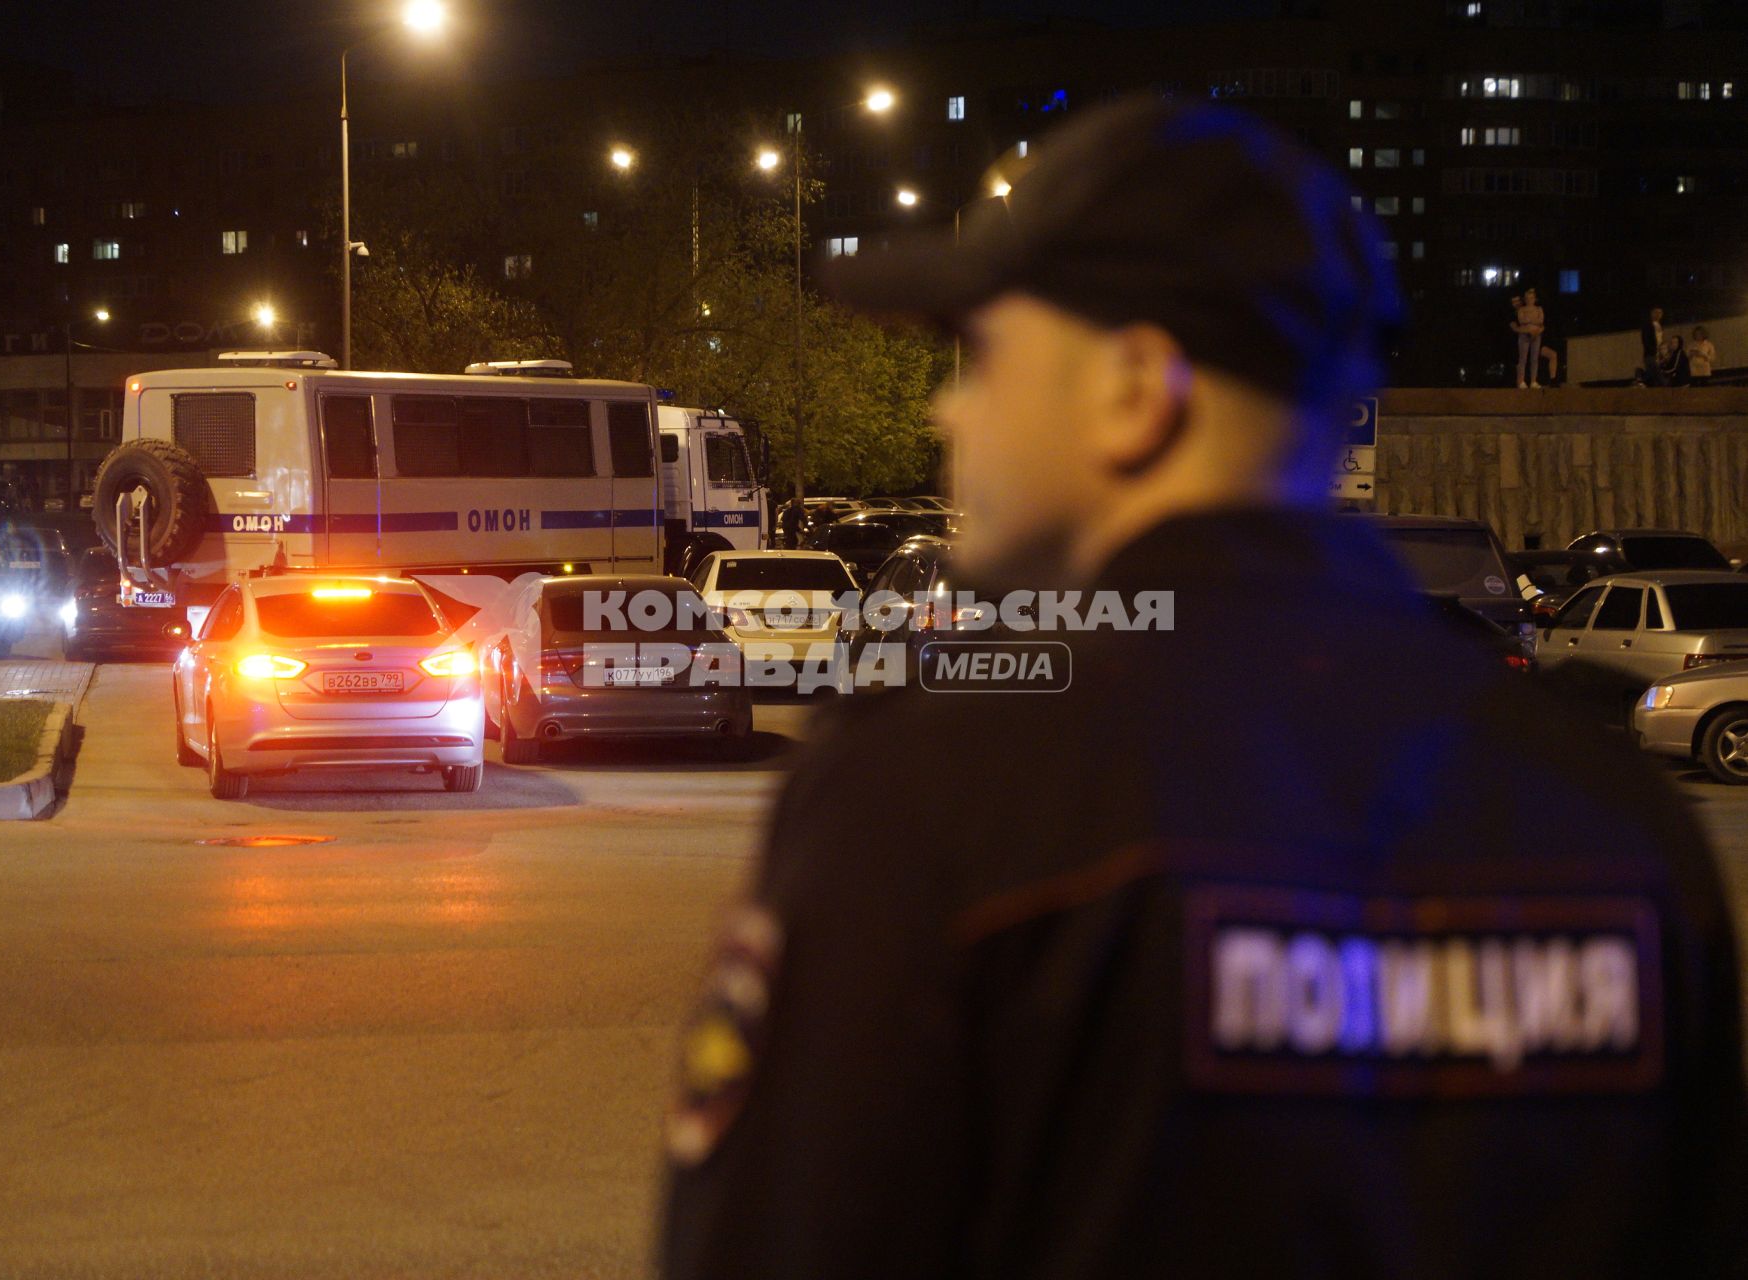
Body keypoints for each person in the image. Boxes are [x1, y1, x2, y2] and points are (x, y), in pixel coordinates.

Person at [658, 94, 1745, 1279]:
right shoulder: (1617, 820)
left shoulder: (931, 798)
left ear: (1134, 389)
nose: (945, 407)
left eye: (987, 354)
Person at [1510, 288, 1545, 387]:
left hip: (1537, 335)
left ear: (1535, 298)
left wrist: (1532, 323)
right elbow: (1522, 321)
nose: (1530, 300)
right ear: (1525, 299)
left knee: (1534, 358)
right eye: (1528, 298)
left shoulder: (1539, 309)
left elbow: (1540, 321)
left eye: (1532, 298)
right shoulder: (1522, 310)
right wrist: (1531, 323)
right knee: (1523, 358)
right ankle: (1521, 381)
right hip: (1524, 335)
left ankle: (1533, 380)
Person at [1640, 306, 1665, 385]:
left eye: (1660, 313)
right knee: (1655, 372)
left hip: (1657, 353)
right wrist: (1652, 350)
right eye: (1656, 312)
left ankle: (1640, 379)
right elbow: (1646, 340)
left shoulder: (1659, 326)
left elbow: (1660, 339)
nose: (1658, 315)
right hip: (1651, 353)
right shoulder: (1648, 325)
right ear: (1651, 313)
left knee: (1652, 374)